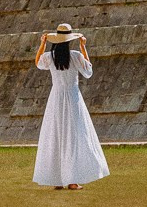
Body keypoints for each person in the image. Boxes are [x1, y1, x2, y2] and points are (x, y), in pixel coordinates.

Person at [32, 23, 109, 190]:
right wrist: (83, 47)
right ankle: (71, 179)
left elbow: (37, 62)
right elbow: (88, 71)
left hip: (56, 98)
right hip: (73, 98)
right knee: (73, 137)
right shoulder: (75, 56)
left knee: (56, 135)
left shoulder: (50, 56)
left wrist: (42, 44)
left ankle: (58, 179)